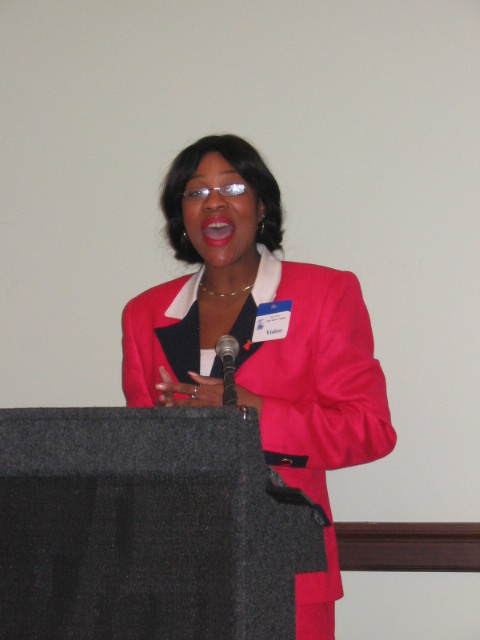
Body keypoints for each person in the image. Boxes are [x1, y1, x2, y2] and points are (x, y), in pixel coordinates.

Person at [122, 134, 397, 639]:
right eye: (196, 192)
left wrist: (254, 413)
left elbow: (370, 429)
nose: (215, 203)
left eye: (232, 186)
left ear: (262, 203)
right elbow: (142, 462)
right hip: (176, 575)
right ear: (180, 213)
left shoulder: (323, 296)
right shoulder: (145, 316)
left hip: (286, 570)